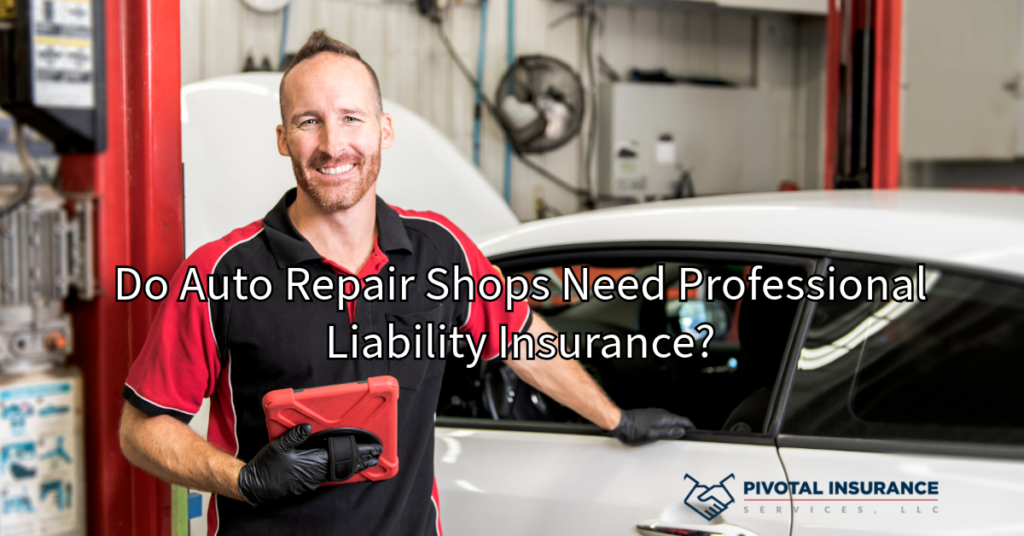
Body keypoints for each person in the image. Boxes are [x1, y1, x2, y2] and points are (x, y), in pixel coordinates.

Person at [118, 29, 693, 536]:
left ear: (384, 129)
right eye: (308, 121)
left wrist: (616, 419)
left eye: (351, 118)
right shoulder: (221, 272)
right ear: (282, 138)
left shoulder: (440, 250)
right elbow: (141, 429)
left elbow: (522, 339)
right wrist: (247, 480)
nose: (332, 144)